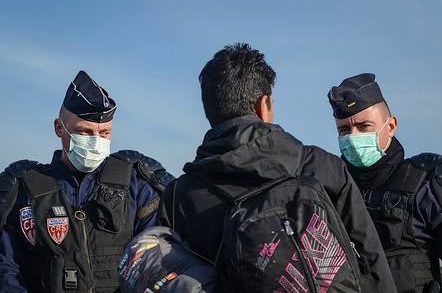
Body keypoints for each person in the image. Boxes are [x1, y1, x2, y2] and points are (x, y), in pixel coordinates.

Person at [157, 43, 396, 292]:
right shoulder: (321, 166)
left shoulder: (178, 196)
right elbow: (371, 262)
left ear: (209, 110)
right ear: (264, 105)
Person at [0, 70, 175, 292]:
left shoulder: (137, 185)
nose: (95, 142)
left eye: (104, 133)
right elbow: (7, 267)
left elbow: (156, 263)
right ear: (58, 128)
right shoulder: (25, 189)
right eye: (84, 131)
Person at [327, 73, 442, 292]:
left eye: (364, 126)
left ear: (391, 126)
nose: (353, 138)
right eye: (344, 130)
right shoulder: (328, 192)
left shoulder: (427, 184)